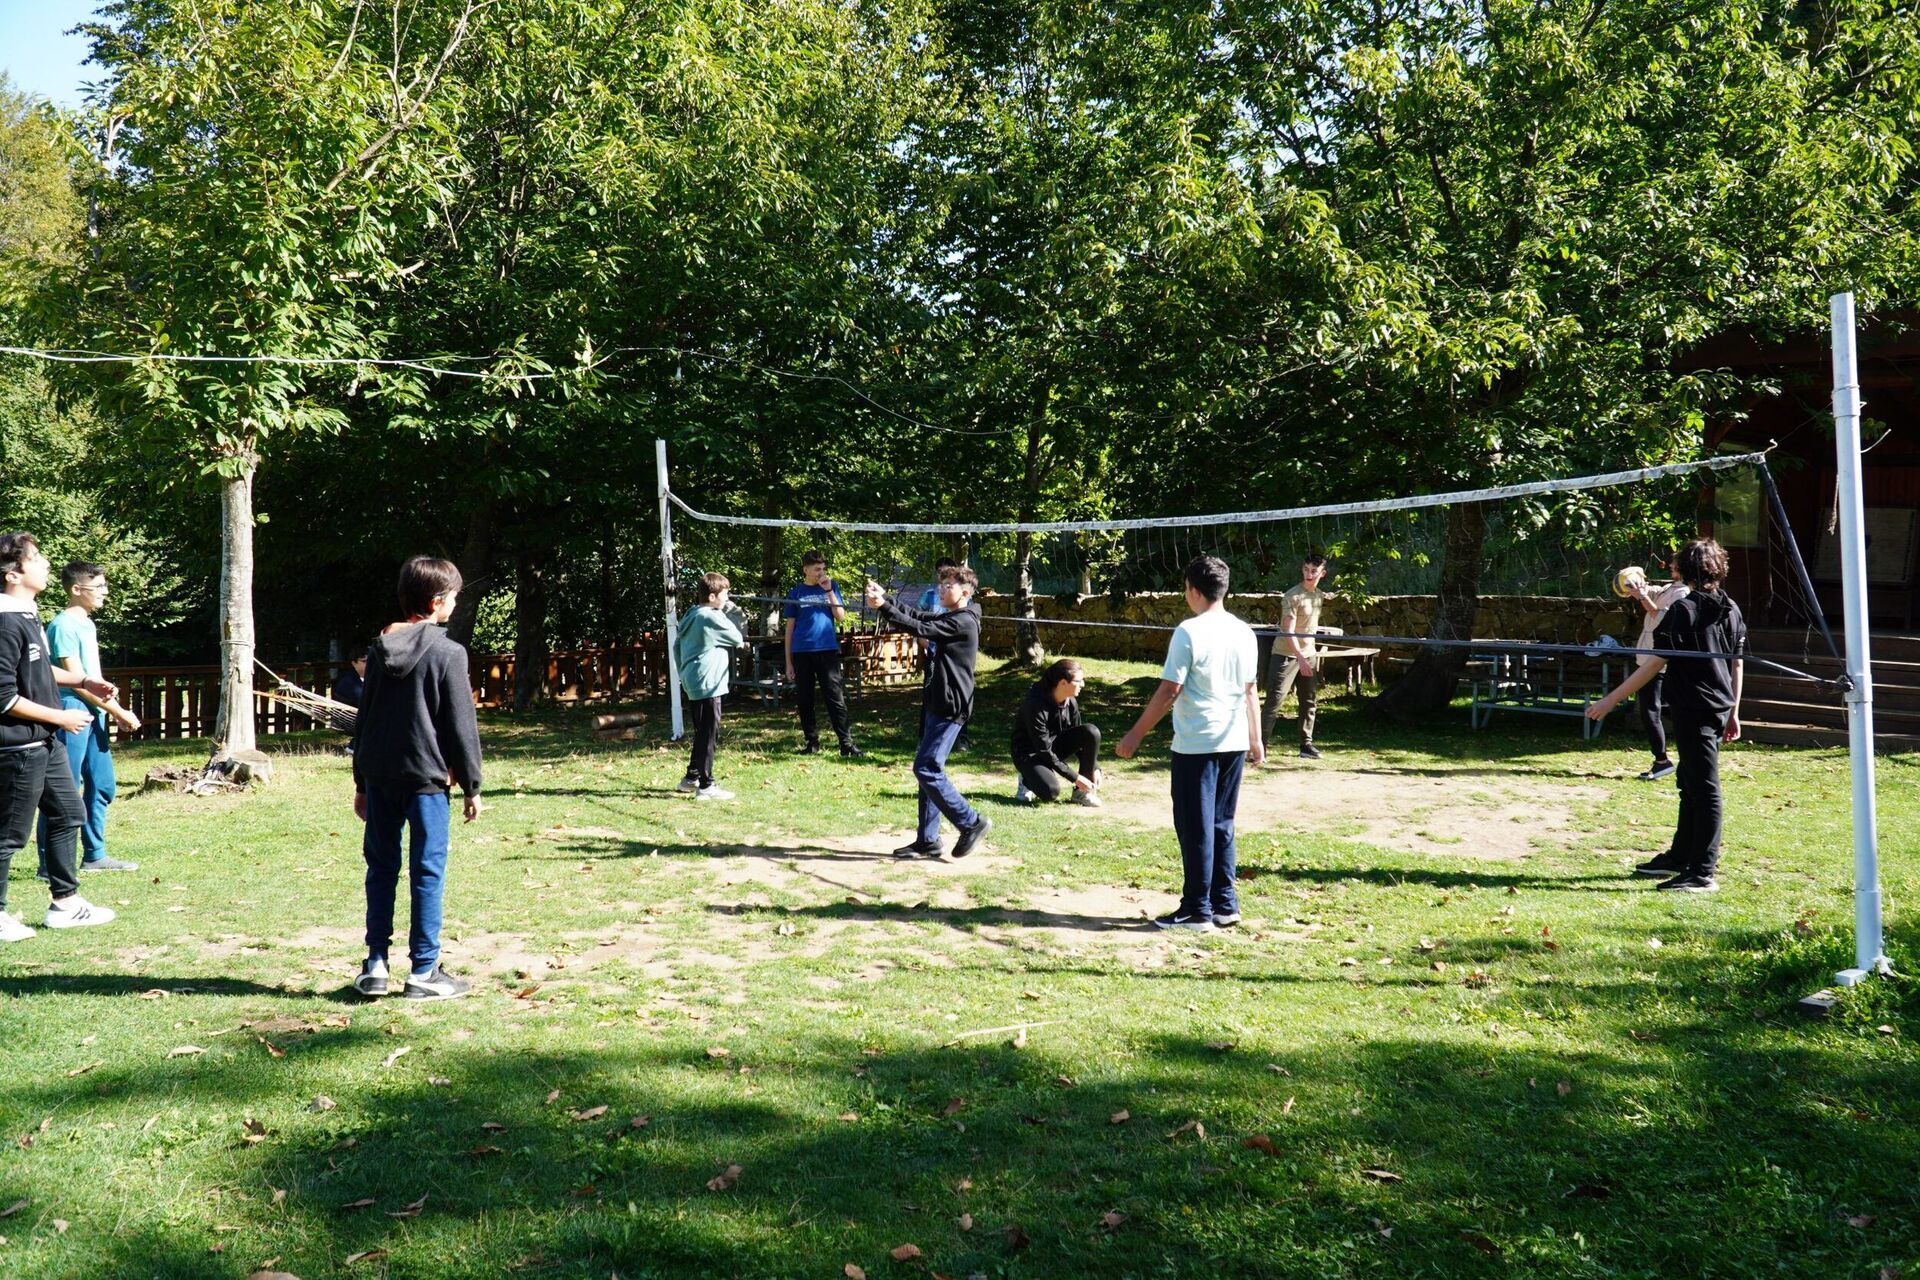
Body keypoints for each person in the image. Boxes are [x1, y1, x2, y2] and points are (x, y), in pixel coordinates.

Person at [352, 556, 484, 999]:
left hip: (380, 778)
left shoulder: (378, 649)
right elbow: (461, 725)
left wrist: (361, 783)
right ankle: (424, 972)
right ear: (436, 602)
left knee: (381, 869)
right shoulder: (449, 653)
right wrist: (472, 786)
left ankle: (375, 965)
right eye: (454, 597)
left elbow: (365, 719)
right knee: (427, 872)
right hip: (427, 781)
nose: (456, 604)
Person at [1587, 537, 1744, 893]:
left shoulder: (1684, 609)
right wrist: (1734, 710)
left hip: (1697, 709)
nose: (1671, 567)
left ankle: (1702, 873)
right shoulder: (1731, 606)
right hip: (1715, 708)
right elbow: (1736, 666)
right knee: (1688, 783)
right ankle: (1679, 857)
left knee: (1704, 789)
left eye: (1676, 563)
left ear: (1685, 569)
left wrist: (1610, 700)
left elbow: (1655, 663)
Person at [1116, 555, 1264, 931]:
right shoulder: (1244, 632)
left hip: (1198, 743)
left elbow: (1171, 689)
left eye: (1185, 588)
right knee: (1221, 823)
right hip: (1232, 740)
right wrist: (1255, 738)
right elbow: (1250, 691)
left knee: (1195, 826)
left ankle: (1197, 909)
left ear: (1194, 591)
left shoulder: (1189, 631)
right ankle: (1224, 904)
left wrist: (1135, 734)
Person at [0, 533, 121, 941]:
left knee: (69, 813)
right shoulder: (4, 621)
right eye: (36, 558)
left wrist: (83, 681)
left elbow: (38, 669)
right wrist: (60, 716)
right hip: (17, 745)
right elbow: (3, 697)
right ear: (13, 574)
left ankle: (65, 905)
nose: (46, 563)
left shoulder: (26, 613)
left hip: (45, 740)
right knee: (9, 835)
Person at [865, 564, 992, 860]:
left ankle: (971, 822)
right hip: (936, 701)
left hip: (950, 706)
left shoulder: (964, 621)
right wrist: (887, 599)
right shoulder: (953, 616)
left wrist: (883, 607)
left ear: (965, 593)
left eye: (948, 585)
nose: (941, 589)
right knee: (927, 771)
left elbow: (921, 629)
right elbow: (920, 617)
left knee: (927, 768)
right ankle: (928, 840)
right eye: (941, 584)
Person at [36, 562, 142, 874]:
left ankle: (95, 855)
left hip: (95, 712)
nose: (105, 592)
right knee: (63, 789)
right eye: (99, 587)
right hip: (71, 712)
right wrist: (118, 711)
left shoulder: (87, 624)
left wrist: (110, 704)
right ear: (76, 589)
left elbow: (91, 678)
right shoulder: (62, 626)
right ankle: (49, 865)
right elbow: (76, 682)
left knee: (102, 784)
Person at [674, 572, 747, 801]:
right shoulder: (710, 617)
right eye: (725, 595)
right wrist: (726, 612)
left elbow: (676, 647)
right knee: (708, 734)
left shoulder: (691, 614)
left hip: (694, 680)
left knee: (702, 731)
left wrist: (684, 672)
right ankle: (706, 786)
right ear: (712, 596)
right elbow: (736, 637)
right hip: (709, 682)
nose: (727, 599)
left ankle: (691, 777)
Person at [783, 550, 860, 757]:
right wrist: (788, 662)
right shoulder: (796, 593)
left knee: (835, 698)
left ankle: (846, 744)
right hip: (801, 652)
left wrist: (829, 591)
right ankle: (812, 742)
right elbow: (789, 630)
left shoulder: (831, 587)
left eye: (823, 569)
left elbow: (841, 616)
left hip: (826, 650)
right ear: (805, 570)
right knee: (805, 699)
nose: (821, 573)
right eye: (817, 569)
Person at [1626, 559, 1688, 781]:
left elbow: (1662, 618)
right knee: (1655, 709)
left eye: (1675, 563)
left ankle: (1662, 761)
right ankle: (1664, 760)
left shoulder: (1683, 593)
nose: (1670, 565)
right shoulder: (1669, 587)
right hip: (1647, 656)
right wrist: (1634, 584)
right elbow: (1650, 592)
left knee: (1651, 711)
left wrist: (1642, 597)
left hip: (1658, 660)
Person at [1262, 553, 1328, 759]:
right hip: (1285, 654)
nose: (1309, 574)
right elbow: (1288, 630)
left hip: (1308, 654)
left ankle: (1306, 745)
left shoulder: (1319, 595)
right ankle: (1259, 746)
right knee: (1274, 701)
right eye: (1306, 569)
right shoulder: (1292, 596)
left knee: (1309, 701)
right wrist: (1299, 657)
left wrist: (1308, 656)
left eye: (1314, 571)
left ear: (1322, 574)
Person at [1012, 658, 1103, 807]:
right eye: (1078, 681)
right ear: (1063, 683)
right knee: (1050, 792)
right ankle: (1027, 779)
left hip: (1052, 748)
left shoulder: (1070, 701)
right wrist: (1075, 777)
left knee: (1091, 732)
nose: (1083, 684)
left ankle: (1081, 793)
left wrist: (1095, 767)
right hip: (1030, 753)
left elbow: (1080, 738)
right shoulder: (1035, 704)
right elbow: (1043, 749)